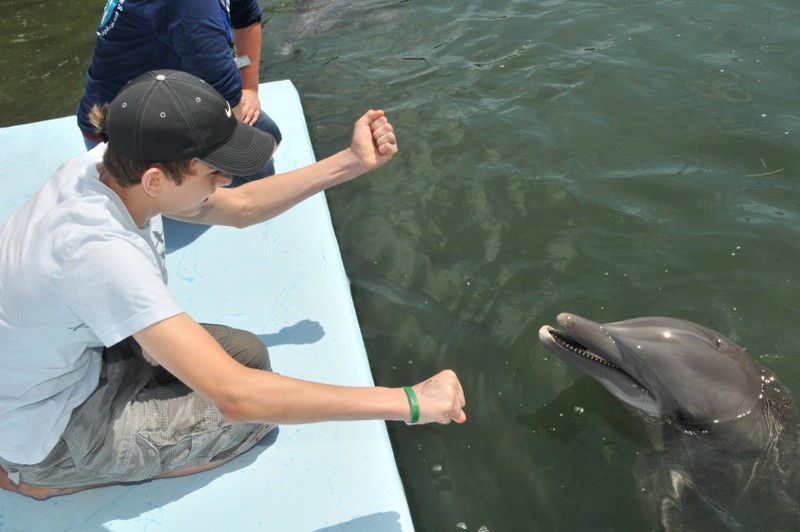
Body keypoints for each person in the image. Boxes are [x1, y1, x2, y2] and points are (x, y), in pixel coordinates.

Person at [0, 70, 467, 499]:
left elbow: (240, 207)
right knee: (253, 423)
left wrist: (352, 161)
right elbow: (237, 398)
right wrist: (409, 402)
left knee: (249, 355)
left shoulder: (112, 164)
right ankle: (45, 480)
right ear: (156, 179)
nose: (226, 179)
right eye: (213, 171)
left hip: (71, 364)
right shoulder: (100, 254)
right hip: (46, 429)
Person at [77, 0, 280, 181]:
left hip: (173, 95)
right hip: (124, 136)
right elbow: (223, 85)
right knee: (259, 175)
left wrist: (249, 87)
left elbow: (245, 15)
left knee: (270, 135)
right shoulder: (187, 6)